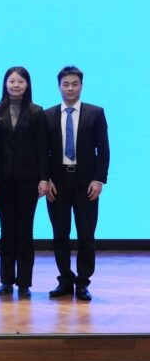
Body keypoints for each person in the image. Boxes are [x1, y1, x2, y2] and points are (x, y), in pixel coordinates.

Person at [45, 66, 109, 302]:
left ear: (81, 85)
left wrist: (99, 179)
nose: (70, 88)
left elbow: (104, 150)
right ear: (59, 86)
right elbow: (42, 152)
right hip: (57, 182)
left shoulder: (95, 113)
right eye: (66, 84)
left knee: (86, 234)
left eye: (74, 84)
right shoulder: (48, 115)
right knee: (60, 234)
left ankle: (83, 282)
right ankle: (64, 279)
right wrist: (46, 179)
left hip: (86, 183)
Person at [0, 67, 49, 299]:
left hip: (29, 180)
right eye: (12, 81)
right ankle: (6, 280)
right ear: (5, 84)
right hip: (3, 181)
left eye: (20, 81)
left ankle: (24, 282)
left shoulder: (37, 112)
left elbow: (43, 148)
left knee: (25, 231)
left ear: (27, 85)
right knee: (7, 230)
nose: (16, 85)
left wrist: (44, 178)